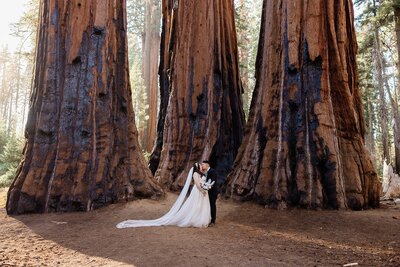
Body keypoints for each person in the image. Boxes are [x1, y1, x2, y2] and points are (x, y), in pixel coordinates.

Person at [116, 163, 211, 228]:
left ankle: (198, 218)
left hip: (201, 191)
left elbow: (201, 182)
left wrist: (205, 187)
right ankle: (194, 219)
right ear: (197, 168)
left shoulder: (201, 173)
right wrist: (202, 190)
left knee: (199, 206)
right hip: (198, 191)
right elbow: (198, 184)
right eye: (199, 165)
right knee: (195, 205)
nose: (201, 166)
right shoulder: (195, 173)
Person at [200, 161, 219, 226]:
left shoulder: (213, 172)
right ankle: (206, 219)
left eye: (203, 164)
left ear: (207, 165)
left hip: (212, 192)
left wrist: (206, 187)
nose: (201, 166)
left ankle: (213, 221)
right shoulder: (202, 172)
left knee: (212, 205)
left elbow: (212, 182)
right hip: (205, 192)